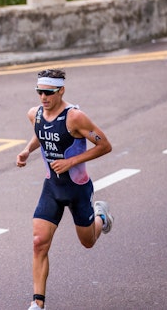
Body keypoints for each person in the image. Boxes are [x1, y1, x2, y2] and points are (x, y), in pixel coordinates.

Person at [16, 68, 114, 310]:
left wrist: (71, 162)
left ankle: (101, 216)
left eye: (48, 92)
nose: (43, 97)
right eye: (39, 92)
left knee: (88, 242)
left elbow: (105, 145)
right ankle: (38, 303)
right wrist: (27, 150)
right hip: (52, 188)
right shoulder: (35, 114)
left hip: (77, 189)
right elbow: (41, 133)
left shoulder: (75, 118)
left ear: (61, 91)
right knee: (39, 242)